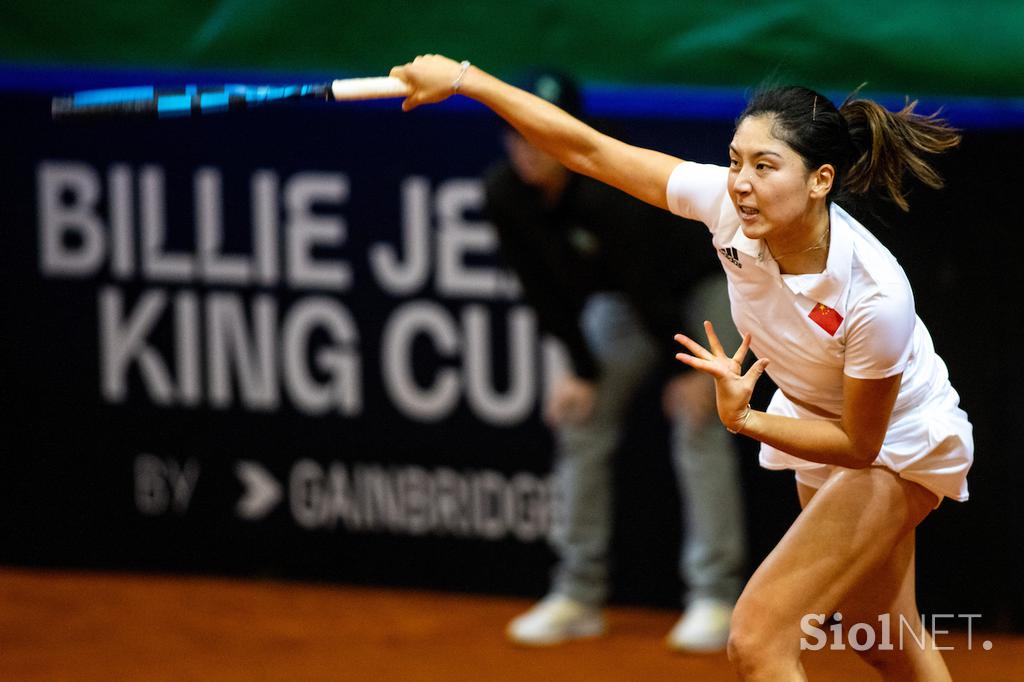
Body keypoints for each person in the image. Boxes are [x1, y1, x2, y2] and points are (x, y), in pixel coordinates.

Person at [389, 55, 973, 681]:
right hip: (816, 420)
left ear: (820, 180)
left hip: (896, 439)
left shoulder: (876, 296)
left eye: (765, 166)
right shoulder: (725, 205)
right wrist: (466, 82)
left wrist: (745, 419)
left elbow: (860, 444)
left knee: (757, 638)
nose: (741, 182)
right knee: (883, 636)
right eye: (735, 161)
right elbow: (586, 151)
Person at [483, 71, 748, 651]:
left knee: (699, 418)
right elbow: (541, 292)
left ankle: (714, 597)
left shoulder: (603, 189)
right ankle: (577, 595)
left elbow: (648, 282)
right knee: (582, 416)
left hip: (700, 287)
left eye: (541, 135)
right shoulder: (503, 194)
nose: (528, 149)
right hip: (627, 303)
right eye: (517, 135)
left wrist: (688, 375)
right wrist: (579, 369)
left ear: (568, 134)